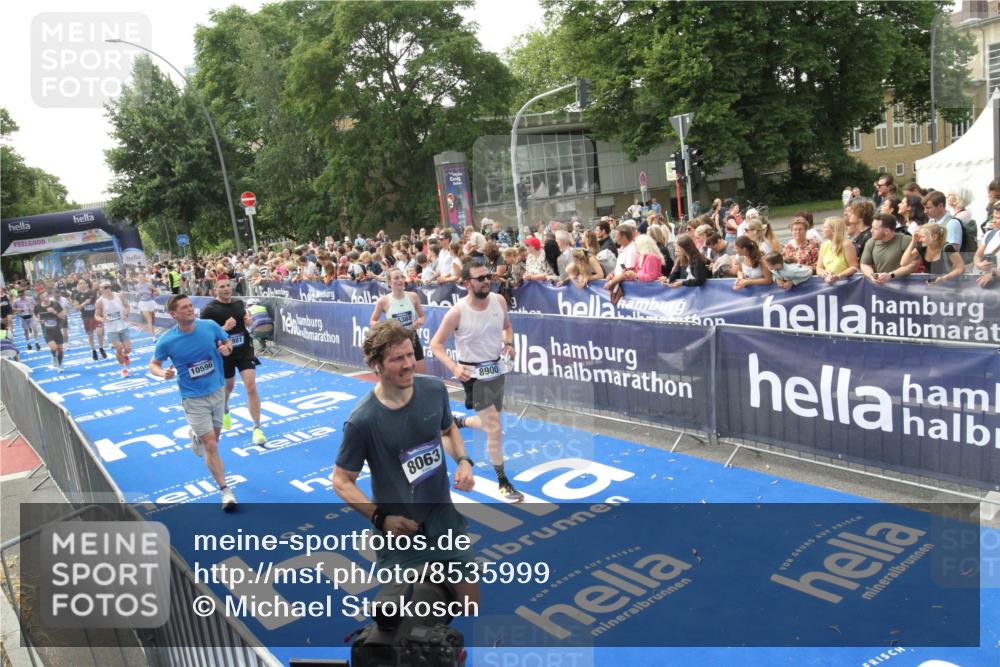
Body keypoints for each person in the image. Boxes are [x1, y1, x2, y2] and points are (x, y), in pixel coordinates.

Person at [332, 320, 479, 611]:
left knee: (468, 603)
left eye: (410, 354)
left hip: (443, 518)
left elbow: (448, 430)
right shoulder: (362, 421)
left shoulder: (434, 390)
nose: (409, 364)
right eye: (398, 359)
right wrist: (381, 519)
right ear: (376, 365)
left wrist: (463, 461)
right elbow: (341, 480)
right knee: (410, 614)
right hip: (401, 532)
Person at [430, 261, 523, 502]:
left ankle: (458, 421)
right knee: (495, 428)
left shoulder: (499, 301)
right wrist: (454, 367)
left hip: (497, 369)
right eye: (480, 278)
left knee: (489, 422)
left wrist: (509, 343)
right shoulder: (457, 312)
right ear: (466, 283)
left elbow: (507, 327)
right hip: (473, 377)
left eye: (488, 276)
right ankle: (503, 481)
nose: (486, 281)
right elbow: (435, 344)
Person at [150, 294, 237, 510]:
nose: (190, 309)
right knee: (211, 444)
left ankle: (197, 437)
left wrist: (227, 348)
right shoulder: (167, 340)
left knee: (213, 440)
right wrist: (162, 373)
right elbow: (153, 364)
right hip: (192, 397)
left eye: (191, 306)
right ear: (174, 314)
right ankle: (225, 491)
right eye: (184, 307)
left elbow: (226, 341)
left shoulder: (209, 326)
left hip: (217, 390)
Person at [200, 277, 267, 445]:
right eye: (221, 286)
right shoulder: (209, 310)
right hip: (225, 353)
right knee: (228, 388)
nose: (225, 289)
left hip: (244, 350)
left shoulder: (238, 304)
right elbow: (204, 336)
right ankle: (225, 409)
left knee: (250, 386)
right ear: (215, 290)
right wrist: (224, 329)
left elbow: (245, 320)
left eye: (228, 286)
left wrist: (248, 320)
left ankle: (257, 427)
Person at [370, 268, 427, 373]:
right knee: (400, 376)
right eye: (396, 278)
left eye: (402, 277)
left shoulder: (413, 296)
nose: (400, 280)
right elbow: (373, 321)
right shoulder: (383, 301)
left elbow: (422, 317)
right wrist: (386, 327)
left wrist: (419, 322)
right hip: (395, 342)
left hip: (412, 339)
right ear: (389, 282)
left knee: (421, 376)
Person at [860, 214, 916, 284]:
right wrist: (872, 275)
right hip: (880, 286)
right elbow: (865, 264)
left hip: (904, 287)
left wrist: (891, 275)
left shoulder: (905, 240)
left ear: (886, 231)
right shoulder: (871, 242)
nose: (871, 230)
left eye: (875, 229)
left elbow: (913, 265)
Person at [900, 223, 965, 282]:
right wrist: (913, 241)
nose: (919, 240)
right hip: (930, 283)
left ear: (934, 237)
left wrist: (944, 278)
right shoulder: (922, 247)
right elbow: (903, 263)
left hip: (948, 284)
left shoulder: (947, 248)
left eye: (922, 237)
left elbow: (960, 267)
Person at [94, 280, 132, 377]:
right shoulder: (99, 301)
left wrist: (126, 314)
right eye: (104, 287)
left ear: (111, 287)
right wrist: (102, 319)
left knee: (127, 349)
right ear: (101, 289)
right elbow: (96, 315)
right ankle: (123, 369)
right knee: (118, 348)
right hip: (111, 329)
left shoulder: (119, 296)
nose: (107, 289)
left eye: (108, 287)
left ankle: (125, 355)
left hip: (123, 326)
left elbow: (127, 306)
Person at [815, 217, 859, 285]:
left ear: (833, 230)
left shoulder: (846, 244)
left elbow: (854, 267)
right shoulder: (824, 245)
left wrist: (838, 276)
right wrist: (824, 273)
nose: (822, 230)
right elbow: (819, 268)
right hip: (829, 285)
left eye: (824, 227)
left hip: (846, 285)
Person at [73, 278, 106, 361]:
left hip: (96, 316)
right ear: (78, 286)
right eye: (80, 284)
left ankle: (101, 348)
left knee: (99, 332)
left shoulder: (93, 292)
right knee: (90, 336)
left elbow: (100, 301)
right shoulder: (77, 295)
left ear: (86, 284)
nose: (82, 285)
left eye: (83, 283)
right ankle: (94, 350)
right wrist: (84, 303)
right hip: (86, 318)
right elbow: (76, 308)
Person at [34, 291, 67, 371]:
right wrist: (38, 320)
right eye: (43, 297)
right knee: (55, 348)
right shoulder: (38, 307)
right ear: (40, 299)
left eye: (46, 296)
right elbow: (34, 315)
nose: (46, 298)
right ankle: (53, 356)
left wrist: (54, 312)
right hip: (47, 331)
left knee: (61, 351)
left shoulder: (55, 304)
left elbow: (63, 316)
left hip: (57, 330)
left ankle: (59, 365)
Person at [974, 201, 1000, 287]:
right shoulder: (990, 234)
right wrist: (979, 264)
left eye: (998, 218)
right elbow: (977, 256)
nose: (994, 221)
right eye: (994, 217)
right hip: (988, 288)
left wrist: (991, 273)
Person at [135, 272, 160, 340]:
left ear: (144, 278)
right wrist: (137, 295)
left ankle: (153, 330)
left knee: (152, 319)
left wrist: (155, 293)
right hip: (143, 303)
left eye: (142, 277)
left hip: (150, 302)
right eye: (139, 277)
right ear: (138, 279)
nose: (141, 278)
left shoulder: (149, 285)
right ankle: (153, 337)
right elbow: (137, 295)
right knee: (149, 320)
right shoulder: (137, 286)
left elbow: (157, 292)